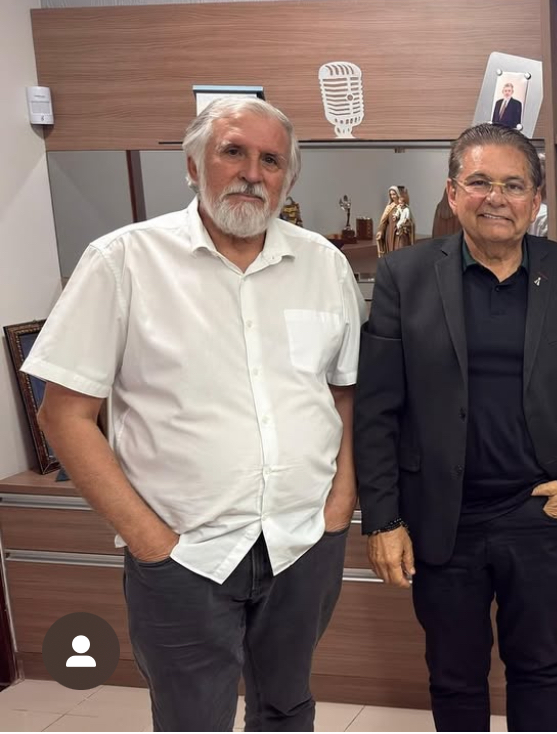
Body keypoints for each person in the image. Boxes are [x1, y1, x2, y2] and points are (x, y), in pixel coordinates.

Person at [25, 97, 364, 731]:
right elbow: (63, 415)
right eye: (233, 152)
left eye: (271, 161)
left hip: (301, 542)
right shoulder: (123, 261)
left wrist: (338, 505)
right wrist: (150, 540)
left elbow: (342, 393)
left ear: (288, 178)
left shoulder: (324, 265)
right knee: (192, 719)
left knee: (288, 707)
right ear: (192, 165)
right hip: (184, 553)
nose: (252, 173)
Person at [354, 122, 557, 732]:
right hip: (440, 517)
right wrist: (382, 518)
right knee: (454, 674)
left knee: (538, 667)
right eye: (479, 182)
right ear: (453, 193)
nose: (496, 198)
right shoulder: (405, 276)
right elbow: (377, 408)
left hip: (538, 513)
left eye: (513, 185)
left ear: (536, 199)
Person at [376, 184, 414, 255]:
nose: (392, 196)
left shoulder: (404, 207)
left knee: (401, 250)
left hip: (401, 233)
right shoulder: (389, 207)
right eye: (391, 195)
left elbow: (410, 220)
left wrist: (406, 224)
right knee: (392, 252)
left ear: (397, 194)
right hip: (390, 233)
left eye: (394, 194)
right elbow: (384, 221)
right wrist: (381, 231)